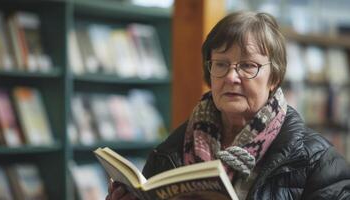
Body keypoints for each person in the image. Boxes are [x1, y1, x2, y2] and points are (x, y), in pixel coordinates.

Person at [106, 11, 350, 200]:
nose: (232, 77)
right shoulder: (169, 153)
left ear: (274, 78)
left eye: (248, 66)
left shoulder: (317, 160)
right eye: (221, 64)